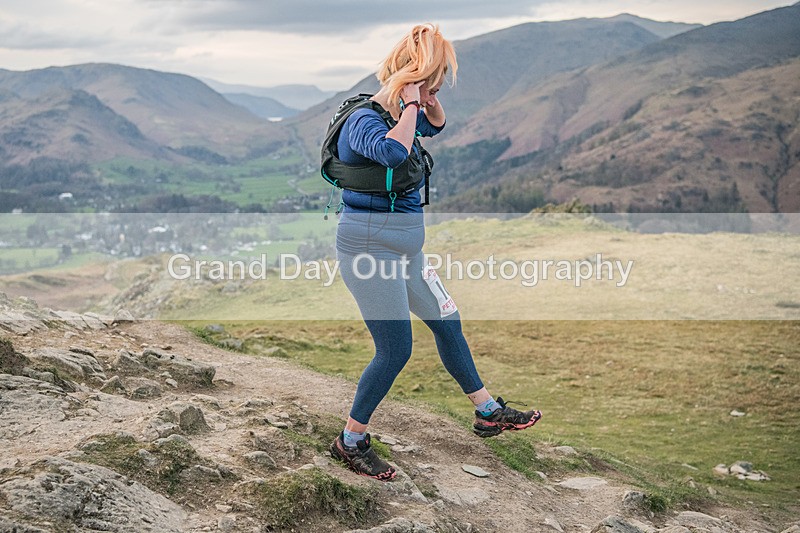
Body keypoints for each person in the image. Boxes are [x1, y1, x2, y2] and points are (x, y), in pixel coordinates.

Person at [323, 23, 541, 481]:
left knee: (447, 320)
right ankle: (350, 441)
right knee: (395, 349)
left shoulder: (405, 111)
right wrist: (407, 103)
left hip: (407, 251)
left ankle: (486, 410)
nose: (433, 91)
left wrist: (425, 101)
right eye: (431, 80)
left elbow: (436, 126)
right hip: (369, 248)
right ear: (409, 76)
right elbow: (393, 154)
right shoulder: (366, 119)